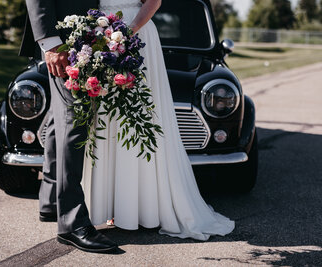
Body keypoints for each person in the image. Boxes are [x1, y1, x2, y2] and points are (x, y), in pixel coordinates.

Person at [81, 0, 235, 240]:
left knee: (139, 116)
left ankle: (147, 208)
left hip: (135, 33)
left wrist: (127, 32)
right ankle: (110, 206)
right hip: (101, 36)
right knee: (106, 119)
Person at [19, 0, 118, 252]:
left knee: (59, 119)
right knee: (73, 122)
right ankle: (72, 224)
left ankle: (52, 200)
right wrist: (50, 42)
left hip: (84, 35)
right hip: (62, 39)